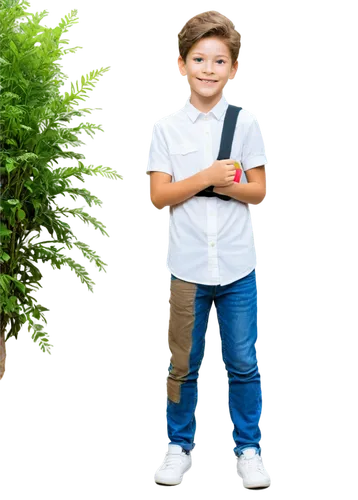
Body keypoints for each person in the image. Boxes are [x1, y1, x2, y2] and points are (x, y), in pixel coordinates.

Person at [145, 8, 272, 491]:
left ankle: (250, 451)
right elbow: (158, 196)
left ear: (234, 69)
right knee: (182, 362)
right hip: (187, 268)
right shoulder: (166, 128)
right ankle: (177, 447)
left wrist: (225, 182)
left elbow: (260, 190)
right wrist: (209, 178)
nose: (208, 69)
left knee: (244, 362)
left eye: (220, 61)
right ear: (181, 64)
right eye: (199, 58)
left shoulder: (246, 123)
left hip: (239, 266)